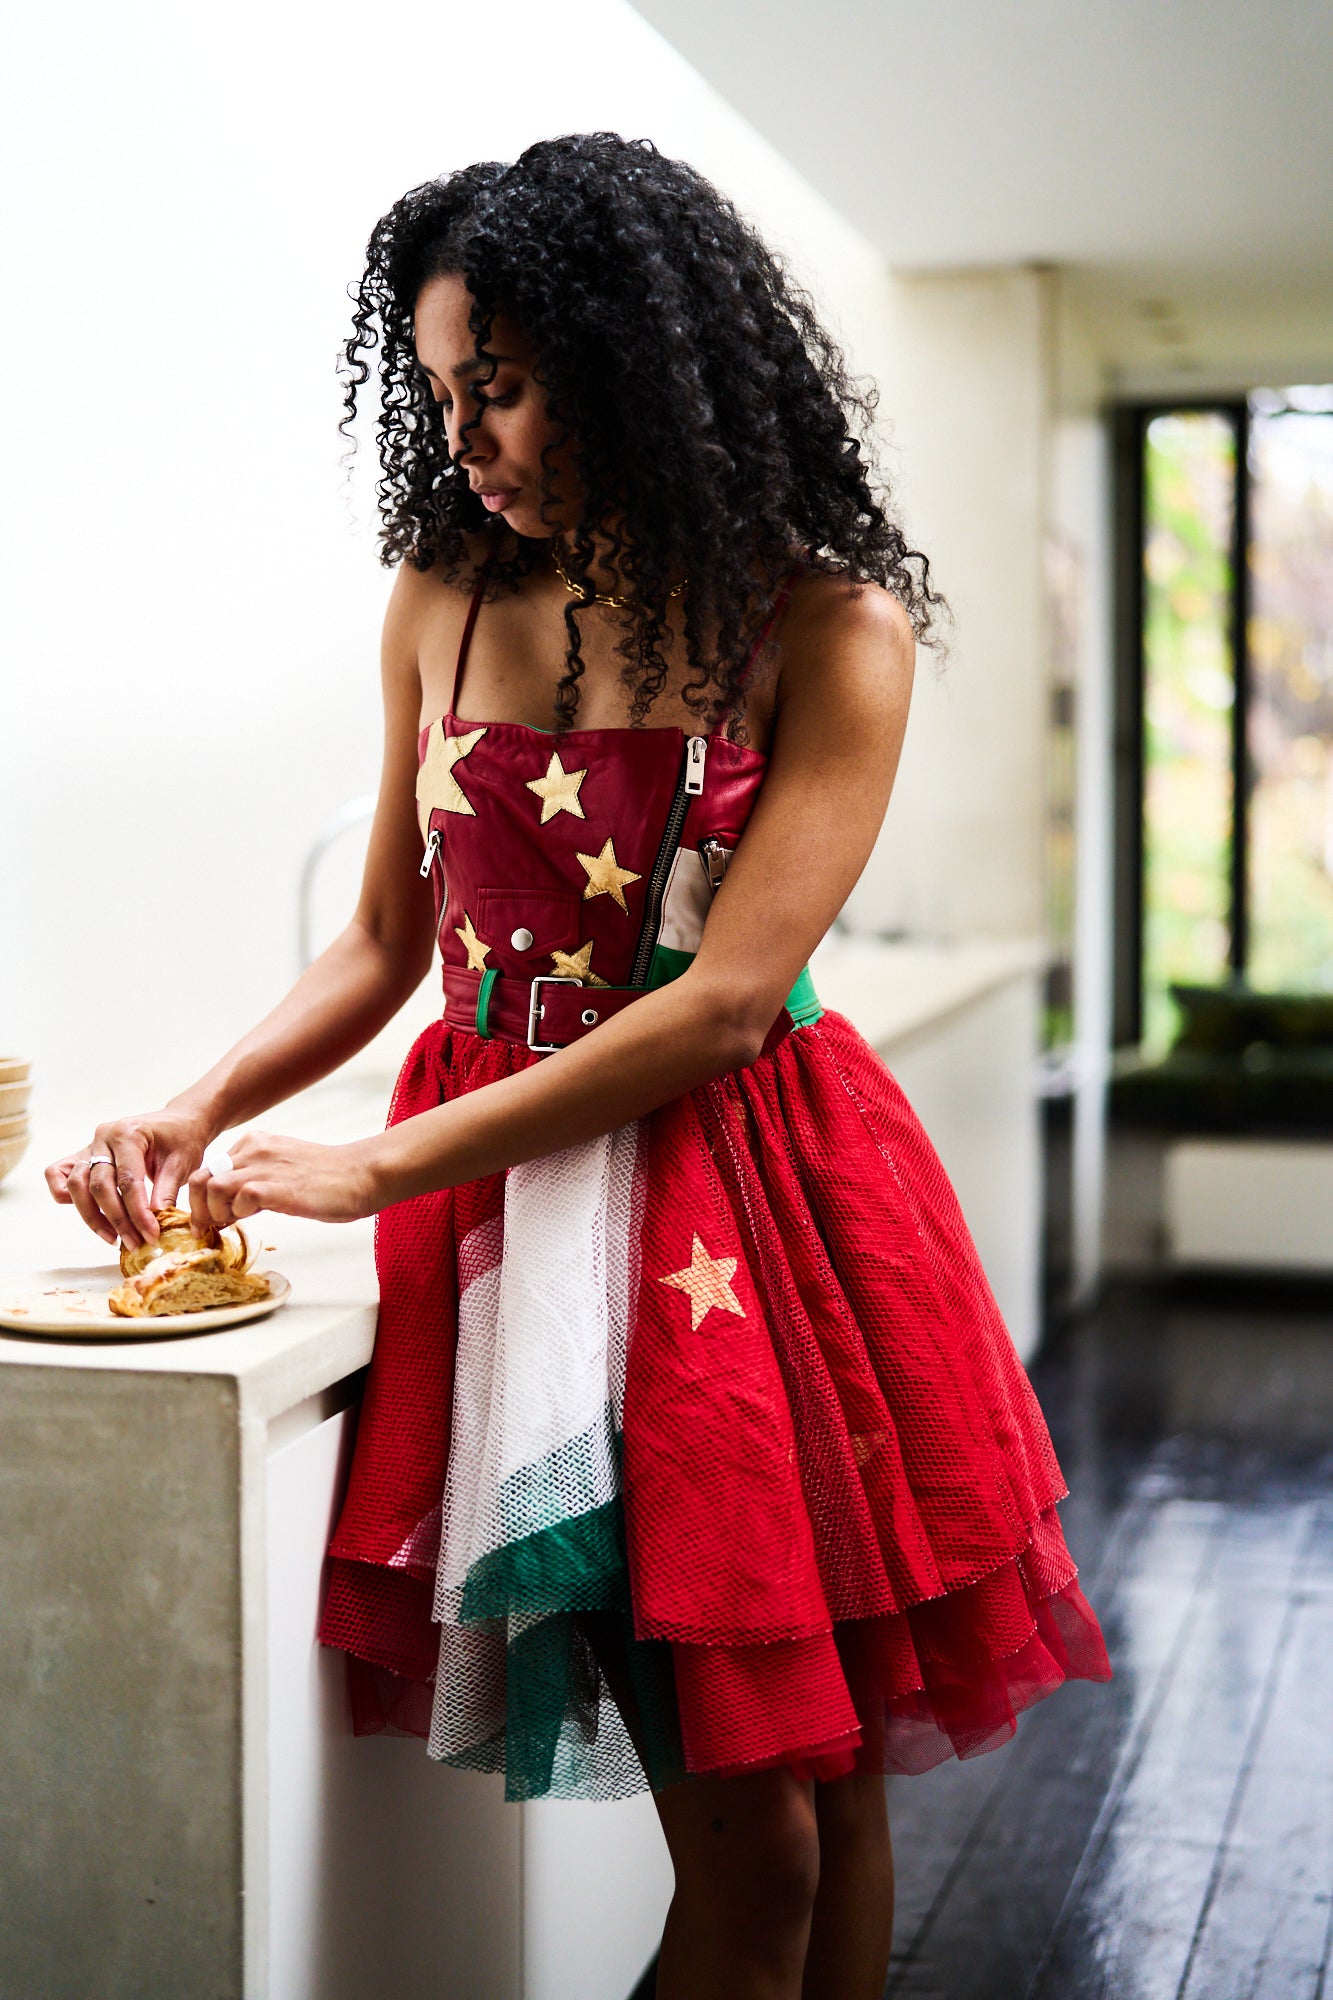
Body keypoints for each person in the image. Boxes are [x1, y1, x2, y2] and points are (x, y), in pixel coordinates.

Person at [47, 133, 1110, 2000]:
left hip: (756, 1208)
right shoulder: (438, 600)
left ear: (631, 370)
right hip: (526, 1223)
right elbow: (385, 943)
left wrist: (377, 1166)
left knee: (828, 1799)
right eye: (441, 391)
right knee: (772, 1841)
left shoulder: (829, 630)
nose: (463, 437)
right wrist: (199, 1103)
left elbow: (722, 1007)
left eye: (505, 387)